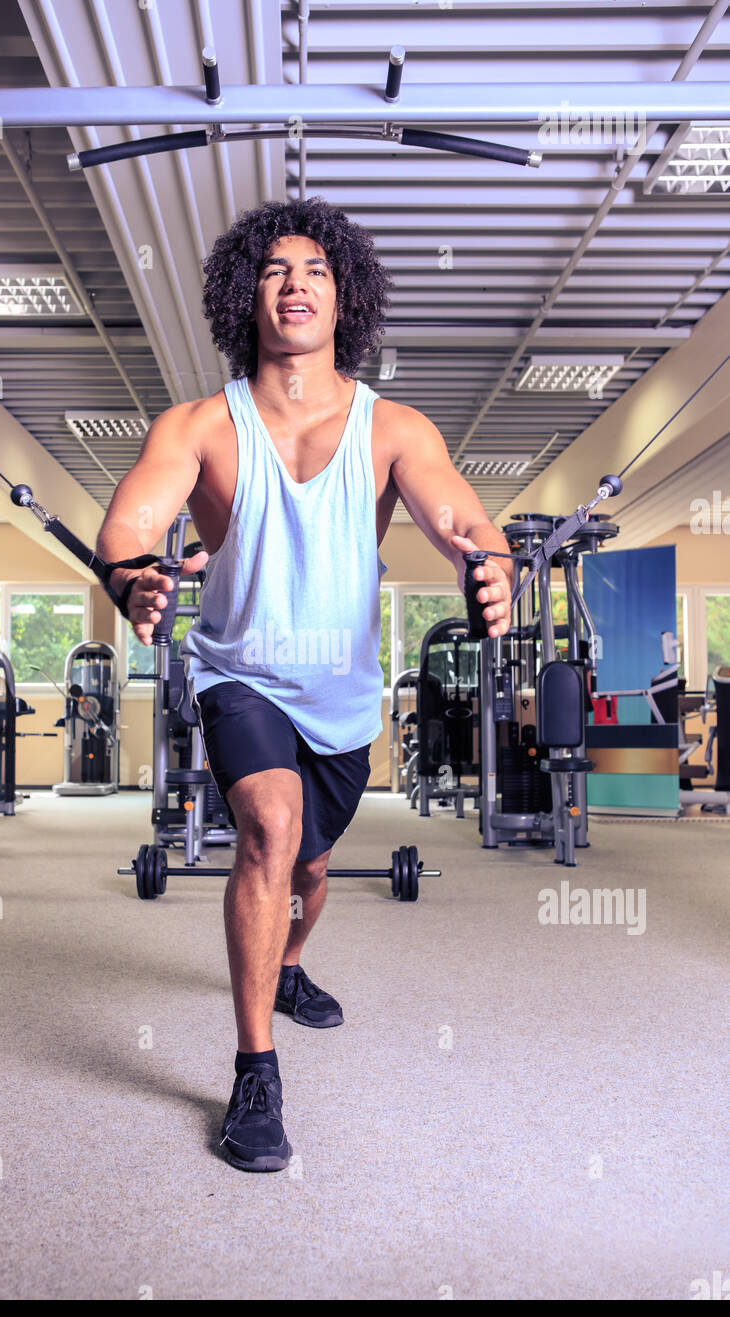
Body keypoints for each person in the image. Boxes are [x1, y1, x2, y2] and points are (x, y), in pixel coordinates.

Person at [97, 198, 513, 1172]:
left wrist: (483, 568)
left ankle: (286, 967)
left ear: (345, 297)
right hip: (237, 673)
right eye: (277, 269)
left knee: (311, 868)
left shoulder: (392, 428)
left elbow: (461, 523)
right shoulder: (200, 425)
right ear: (249, 294)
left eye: (317, 270)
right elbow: (130, 523)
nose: (296, 284)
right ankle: (254, 1073)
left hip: (339, 694)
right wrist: (132, 576)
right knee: (268, 831)